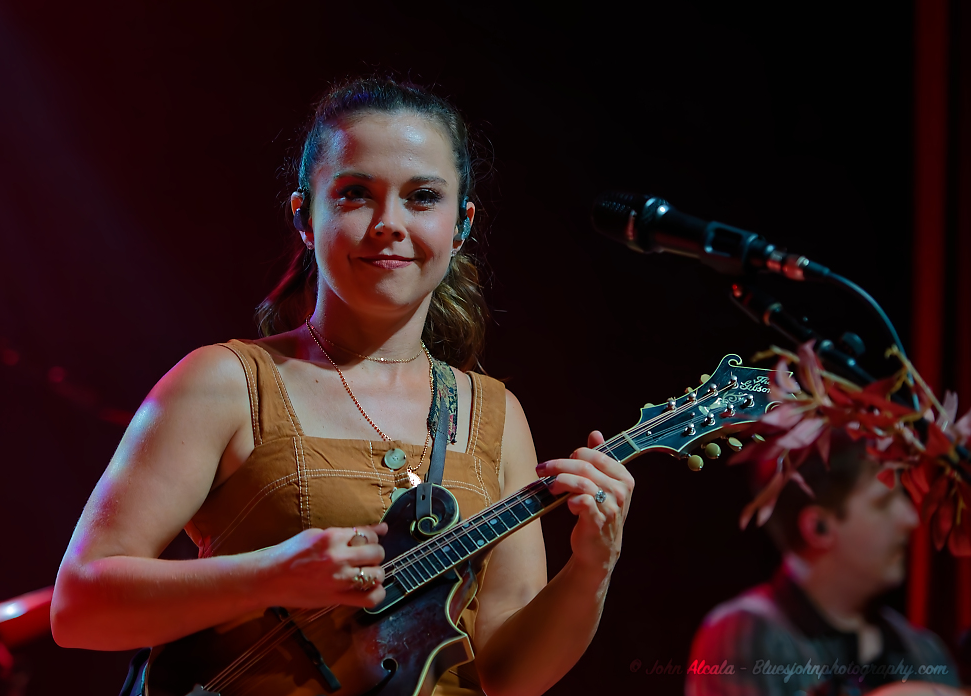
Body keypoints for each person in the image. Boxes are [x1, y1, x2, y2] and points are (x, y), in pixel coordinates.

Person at [50, 76, 635, 696]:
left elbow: (506, 677)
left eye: (422, 197)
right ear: (305, 216)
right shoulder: (224, 382)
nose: (389, 223)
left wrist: (593, 568)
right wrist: (271, 575)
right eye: (357, 194)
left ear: (461, 225)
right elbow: (79, 606)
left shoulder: (494, 415)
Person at [686, 438, 961, 696]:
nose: (911, 518)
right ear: (818, 527)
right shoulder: (744, 635)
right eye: (883, 503)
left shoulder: (924, 651)